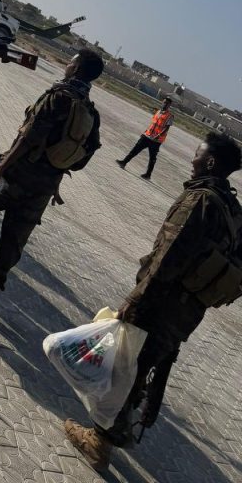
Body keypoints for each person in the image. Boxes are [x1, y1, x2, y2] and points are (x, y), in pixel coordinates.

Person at [64, 132, 242, 472]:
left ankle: (99, 442)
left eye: (197, 154)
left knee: (127, 368)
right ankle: (119, 427)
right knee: (142, 367)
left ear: (211, 162)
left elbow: (167, 259)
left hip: (160, 304)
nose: (192, 159)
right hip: (188, 311)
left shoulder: (200, 200)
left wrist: (134, 301)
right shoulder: (234, 212)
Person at [0, 49, 104, 314]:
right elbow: (83, 158)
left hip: (17, 175)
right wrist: (56, 164)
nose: (67, 65)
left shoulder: (58, 97)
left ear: (76, 69)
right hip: (44, 188)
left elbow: (28, 138)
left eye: (71, 62)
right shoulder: (90, 112)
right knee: (14, 239)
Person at [117, 98, 175, 180]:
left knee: (152, 158)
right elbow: (153, 124)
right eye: (164, 102)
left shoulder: (169, 116)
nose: (165, 104)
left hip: (156, 140)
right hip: (147, 136)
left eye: (167, 103)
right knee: (135, 150)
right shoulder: (158, 112)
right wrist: (145, 132)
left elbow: (166, 128)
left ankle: (148, 174)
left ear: (169, 105)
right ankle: (124, 162)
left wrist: (158, 135)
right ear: (162, 102)